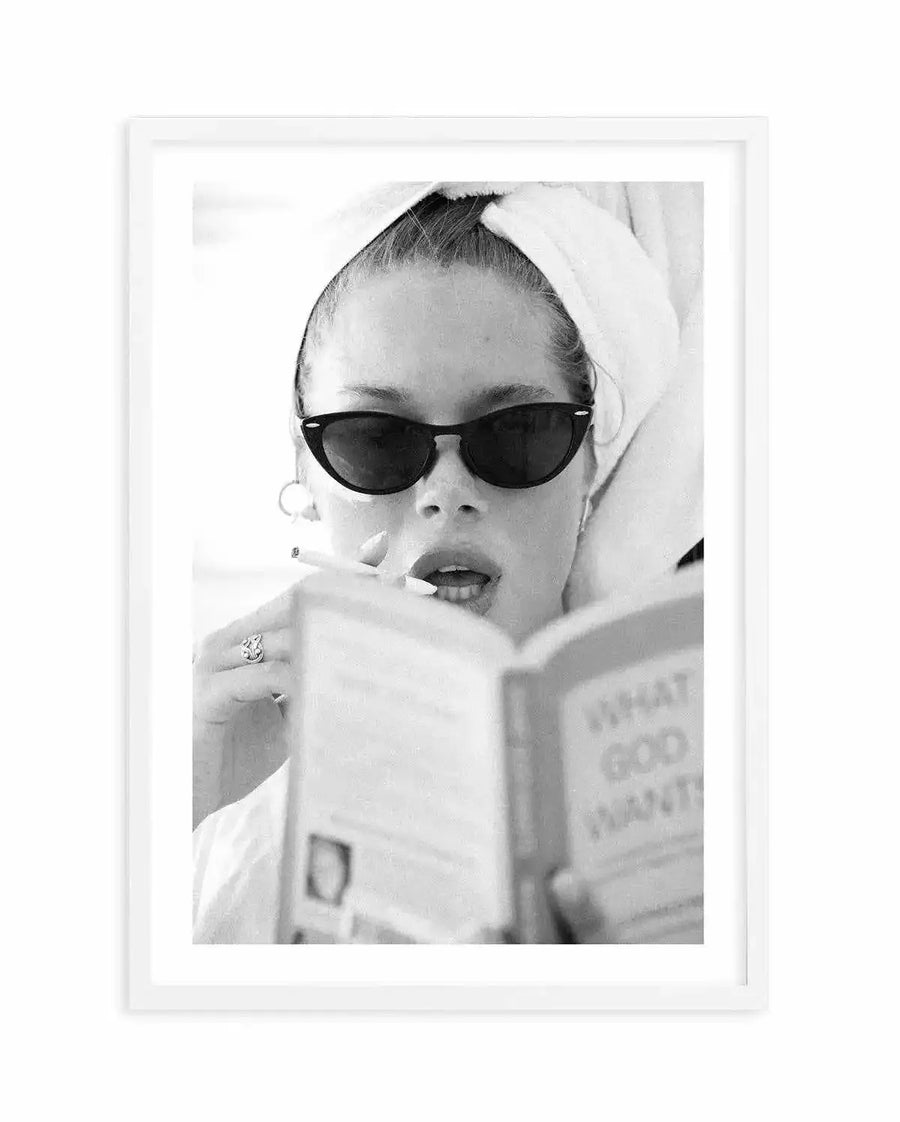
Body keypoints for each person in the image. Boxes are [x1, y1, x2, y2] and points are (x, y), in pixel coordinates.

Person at [192, 181, 702, 944]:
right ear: (304, 470)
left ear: (591, 463)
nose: (447, 494)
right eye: (375, 440)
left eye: (518, 433)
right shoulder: (208, 836)